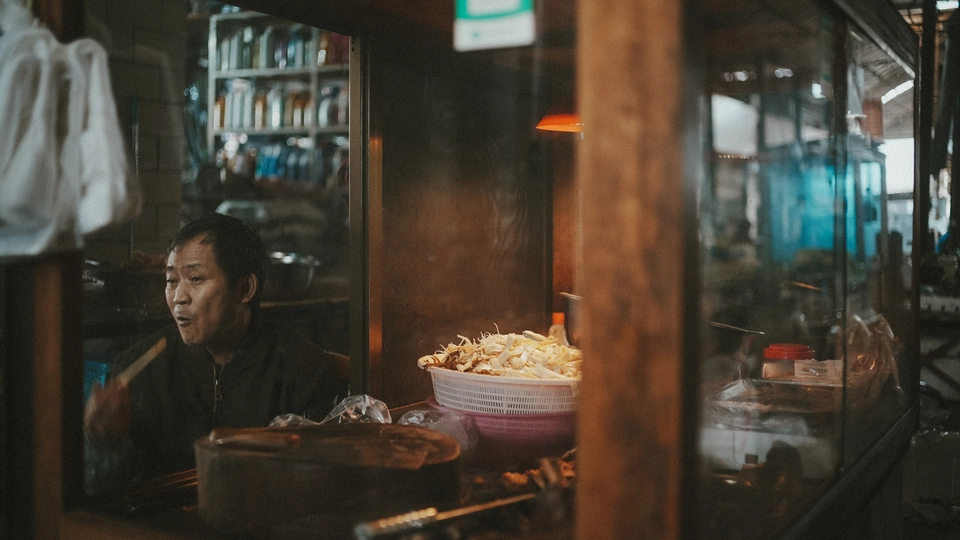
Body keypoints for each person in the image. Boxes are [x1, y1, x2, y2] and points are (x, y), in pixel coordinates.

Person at [84, 213, 345, 482]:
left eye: (195, 279)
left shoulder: (302, 369)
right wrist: (105, 441)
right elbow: (118, 484)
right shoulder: (140, 367)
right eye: (172, 280)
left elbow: (316, 480)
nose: (178, 298)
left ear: (245, 288)